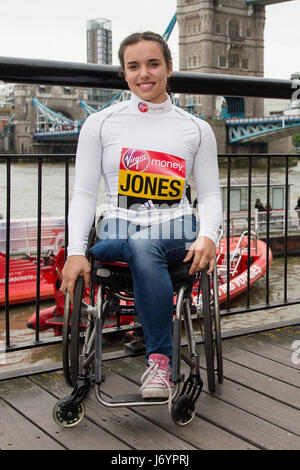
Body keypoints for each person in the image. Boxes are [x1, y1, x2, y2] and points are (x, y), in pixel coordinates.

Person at [60, 31, 222, 400]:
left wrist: (209, 236)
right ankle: (159, 356)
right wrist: (73, 251)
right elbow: (84, 194)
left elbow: (210, 194)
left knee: (145, 244)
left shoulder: (197, 129)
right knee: (137, 243)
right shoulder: (99, 124)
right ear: (124, 72)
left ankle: (159, 362)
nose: (144, 74)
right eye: (133, 66)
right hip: (117, 227)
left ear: (169, 67)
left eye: (153, 64)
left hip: (176, 231)